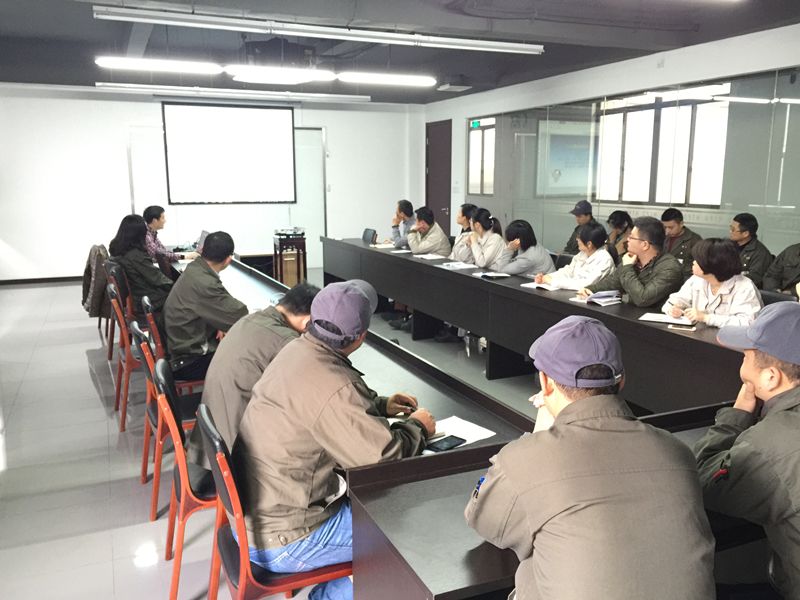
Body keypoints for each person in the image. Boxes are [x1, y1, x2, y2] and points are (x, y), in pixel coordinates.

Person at [465, 315, 715, 600]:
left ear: (546, 383)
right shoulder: (677, 451)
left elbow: (481, 518)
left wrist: (537, 437)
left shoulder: (524, 460)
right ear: (622, 381)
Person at [232, 280, 436, 600]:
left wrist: (381, 404)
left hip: (254, 519)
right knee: (406, 543)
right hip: (287, 537)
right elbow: (382, 458)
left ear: (312, 319)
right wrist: (417, 427)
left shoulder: (295, 350)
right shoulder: (336, 384)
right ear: (360, 337)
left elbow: (321, 407)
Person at [694, 302, 800, 598]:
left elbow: (703, 482)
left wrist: (738, 413)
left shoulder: (775, 441)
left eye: (746, 356)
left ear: (771, 377)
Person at [189, 282, 320, 461]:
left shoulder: (251, 319)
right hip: (234, 451)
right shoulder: (286, 340)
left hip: (211, 438)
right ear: (307, 321)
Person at [164, 231, 248, 380]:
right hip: (189, 361)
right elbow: (239, 314)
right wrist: (223, 320)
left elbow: (217, 308)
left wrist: (219, 321)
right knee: (251, 358)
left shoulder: (195, 268)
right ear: (229, 259)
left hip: (179, 345)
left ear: (202, 250)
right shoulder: (206, 284)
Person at [579, 216, 683, 307]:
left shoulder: (670, 268)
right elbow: (612, 283)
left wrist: (628, 267)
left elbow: (643, 299)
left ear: (645, 245)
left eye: (631, 237)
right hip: (629, 316)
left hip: (657, 320)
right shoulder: (633, 258)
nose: (627, 239)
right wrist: (590, 290)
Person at [662, 238, 762, 328]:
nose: (693, 262)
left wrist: (706, 318)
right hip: (699, 335)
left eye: (698, 260)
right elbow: (672, 302)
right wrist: (673, 309)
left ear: (712, 263)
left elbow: (747, 323)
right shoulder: (697, 279)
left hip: (729, 340)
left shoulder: (744, 287)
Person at [109, 214, 173, 319]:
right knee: (186, 296)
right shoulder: (136, 255)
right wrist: (177, 285)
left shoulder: (117, 250)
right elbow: (158, 279)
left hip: (136, 296)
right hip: (147, 299)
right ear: (139, 234)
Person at [535, 221, 614, 290]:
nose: (576, 239)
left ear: (589, 244)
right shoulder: (583, 253)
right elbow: (568, 271)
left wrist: (553, 281)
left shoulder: (605, 260)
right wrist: (547, 277)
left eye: (579, 238)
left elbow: (585, 284)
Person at [729, 213, 773, 289]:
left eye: (733, 229)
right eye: (730, 228)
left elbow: (754, 279)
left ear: (745, 233)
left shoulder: (760, 254)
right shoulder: (727, 246)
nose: (730, 231)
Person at [661, 207, 702, 280]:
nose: (667, 231)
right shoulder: (662, 236)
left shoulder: (694, 240)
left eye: (671, 227)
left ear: (681, 224)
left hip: (684, 279)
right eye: (665, 227)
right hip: (663, 276)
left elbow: (700, 265)